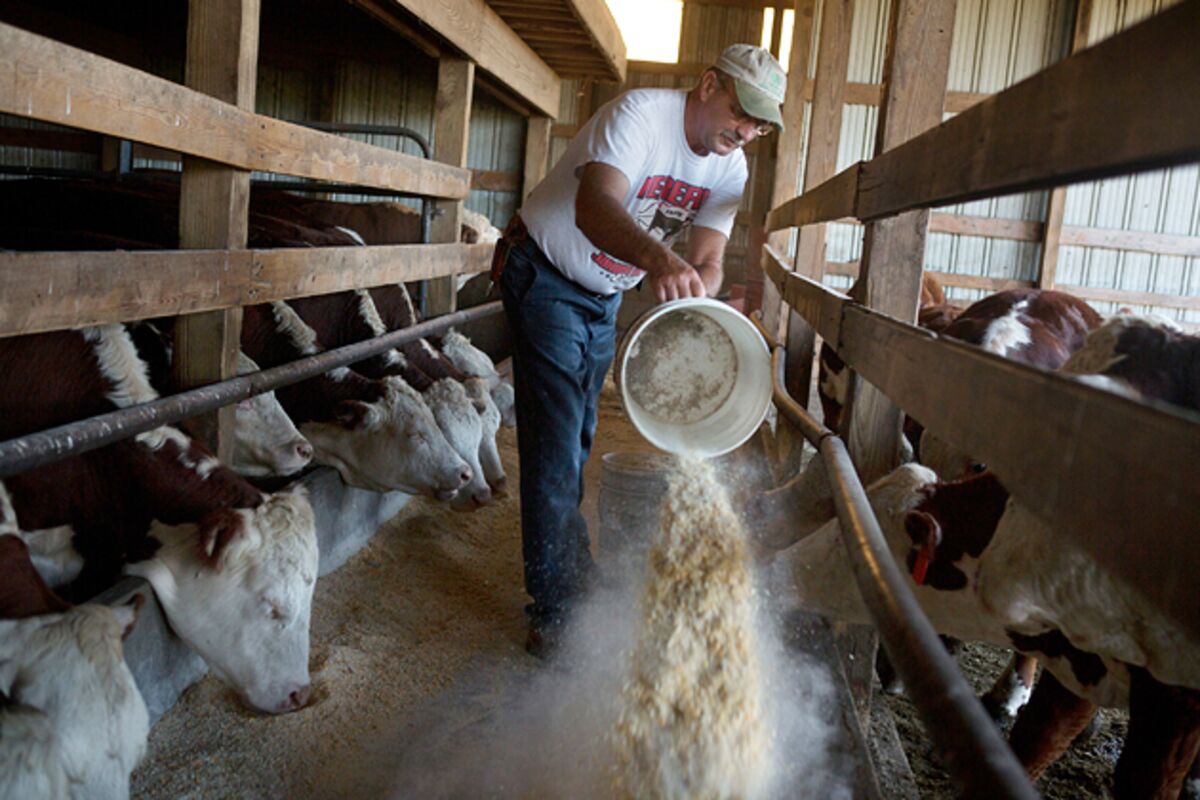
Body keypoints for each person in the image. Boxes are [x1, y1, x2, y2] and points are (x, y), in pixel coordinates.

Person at [492, 44, 788, 659]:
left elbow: (708, 262)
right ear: (708, 84)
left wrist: (692, 288)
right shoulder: (641, 116)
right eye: (741, 114)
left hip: (603, 295)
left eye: (759, 125)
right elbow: (594, 205)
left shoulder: (729, 170)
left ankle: (569, 577)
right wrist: (659, 259)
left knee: (577, 435)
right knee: (555, 437)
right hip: (545, 270)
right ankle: (554, 609)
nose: (747, 132)